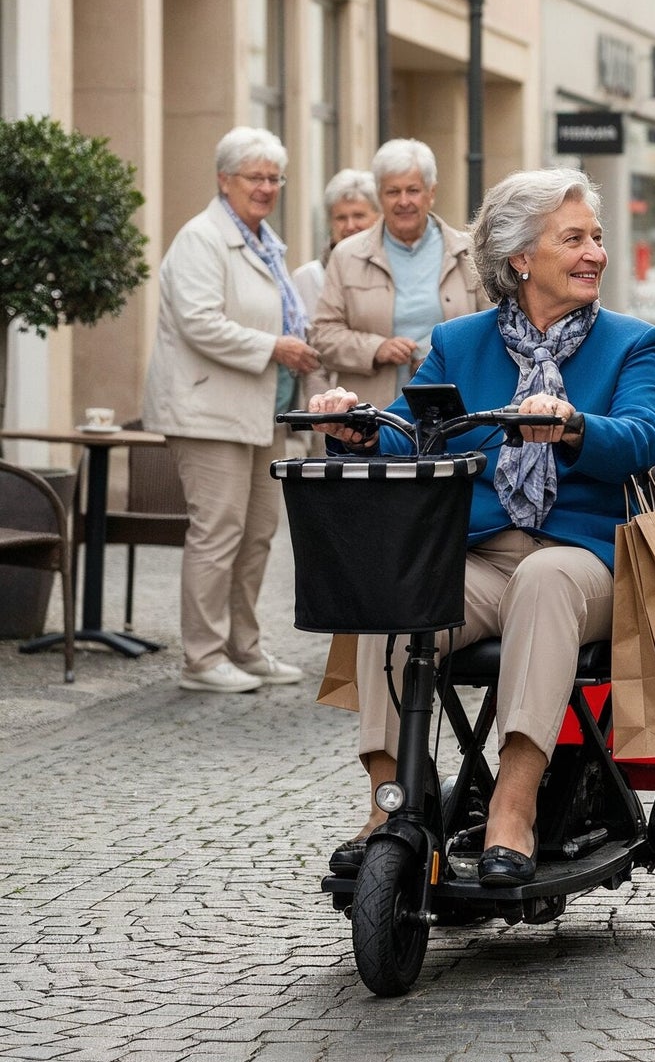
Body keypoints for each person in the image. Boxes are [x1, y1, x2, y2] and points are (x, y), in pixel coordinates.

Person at [312, 168, 655, 888]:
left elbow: (642, 438)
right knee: (390, 591)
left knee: (543, 578)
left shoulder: (633, 342)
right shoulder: (458, 342)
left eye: (595, 237)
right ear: (521, 260)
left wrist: (572, 427)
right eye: (574, 238)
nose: (594, 251)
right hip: (478, 560)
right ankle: (391, 802)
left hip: (583, 562)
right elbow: (412, 437)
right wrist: (351, 428)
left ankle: (513, 803)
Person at [142, 127, 317, 693]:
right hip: (209, 408)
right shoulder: (201, 238)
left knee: (259, 531)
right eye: (255, 177)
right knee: (218, 531)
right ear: (225, 180)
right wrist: (276, 347)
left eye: (274, 178)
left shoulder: (264, 240)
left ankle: (243, 647)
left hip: (262, 408)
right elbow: (199, 322)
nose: (266, 188)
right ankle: (202, 656)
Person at [310, 138, 483, 406]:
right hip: (371, 411)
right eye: (393, 192)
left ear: (431, 192)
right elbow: (323, 335)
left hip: (455, 408)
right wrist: (376, 349)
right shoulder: (346, 255)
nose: (404, 201)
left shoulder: (468, 252)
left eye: (413, 190)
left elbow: (495, 328)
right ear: (380, 196)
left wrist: (444, 357)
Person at [292, 169, 380, 405]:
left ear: (378, 217)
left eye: (359, 215)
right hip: (326, 406)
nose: (350, 225)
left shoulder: (391, 273)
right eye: (341, 218)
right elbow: (311, 362)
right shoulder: (307, 278)